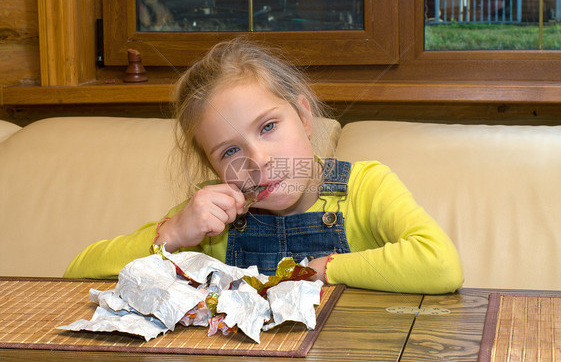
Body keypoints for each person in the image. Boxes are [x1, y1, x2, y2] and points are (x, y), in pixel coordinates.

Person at [64, 38, 463, 294]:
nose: (258, 160)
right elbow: (76, 274)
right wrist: (173, 234)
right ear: (216, 170)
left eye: (268, 126)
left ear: (305, 117)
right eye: (230, 152)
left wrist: (324, 269)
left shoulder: (367, 187)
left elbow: (441, 265)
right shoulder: (215, 217)